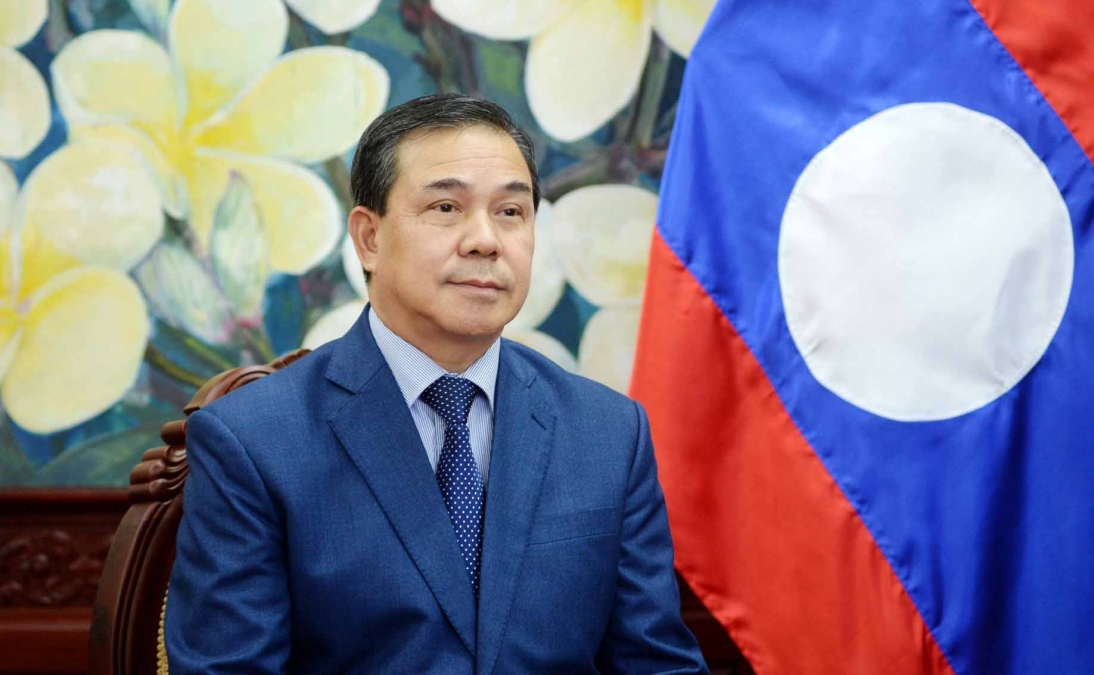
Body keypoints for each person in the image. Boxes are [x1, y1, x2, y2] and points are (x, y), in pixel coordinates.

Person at [165, 93, 708, 674]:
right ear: (369, 239)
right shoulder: (253, 441)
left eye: (511, 212)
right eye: (446, 207)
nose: (485, 240)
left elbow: (657, 664)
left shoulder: (608, 434)